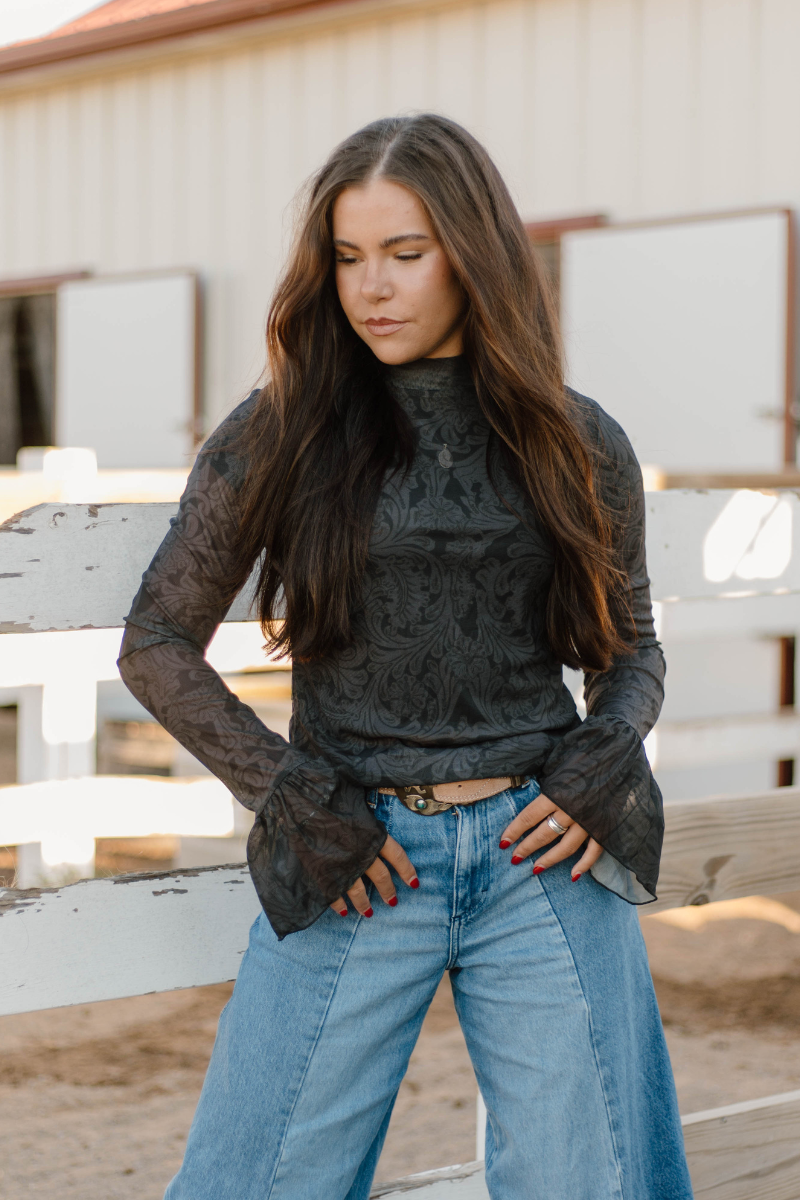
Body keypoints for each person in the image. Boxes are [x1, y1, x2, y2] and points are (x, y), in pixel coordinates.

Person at [118, 114, 693, 1200]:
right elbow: (154, 642)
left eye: (403, 252)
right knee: (257, 1180)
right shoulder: (278, 430)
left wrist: (598, 761)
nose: (369, 287)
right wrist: (293, 795)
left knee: (590, 1180)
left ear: (472, 254)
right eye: (345, 257)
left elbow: (632, 649)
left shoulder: (575, 439)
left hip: (543, 857)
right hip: (356, 859)